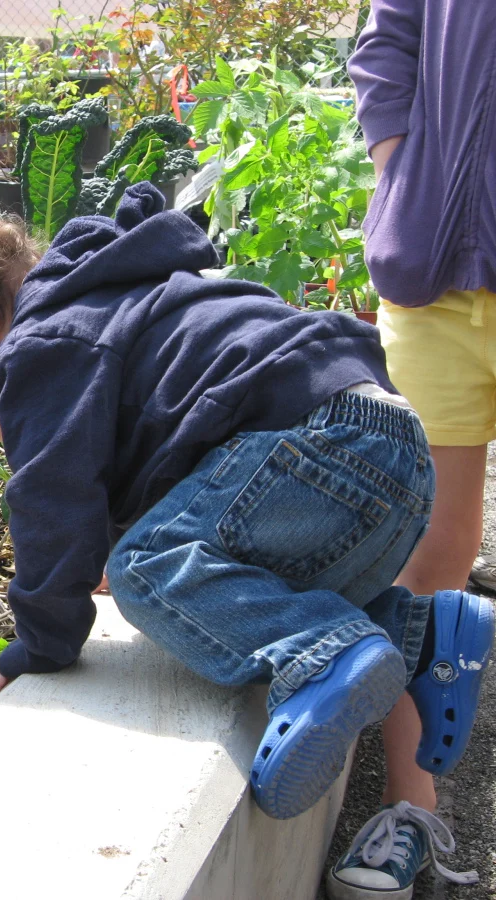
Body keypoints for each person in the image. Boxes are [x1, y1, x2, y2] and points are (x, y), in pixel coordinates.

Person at [0, 187, 494, 835]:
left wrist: (36, 649)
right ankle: (422, 635)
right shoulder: (106, 302)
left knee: (148, 571)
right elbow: (162, 447)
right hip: (386, 442)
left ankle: (320, 657)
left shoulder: (39, 350)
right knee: (255, 578)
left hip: (314, 444)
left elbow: (54, 503)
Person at [328, 2, 496, 897]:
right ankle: (411, 806)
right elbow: (388, 40)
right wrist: (405, 173)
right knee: (423, 545)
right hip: (432, 281)